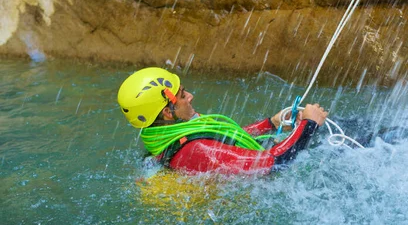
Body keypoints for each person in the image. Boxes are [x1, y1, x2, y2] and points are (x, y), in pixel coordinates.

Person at [117, 67, 328, 175]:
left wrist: (271, 123)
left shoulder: (165, 142)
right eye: (182, 96)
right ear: (168, 112)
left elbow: (221, 138)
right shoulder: (196, 150)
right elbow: (274, 164)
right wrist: (309, 125)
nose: (190, 96)